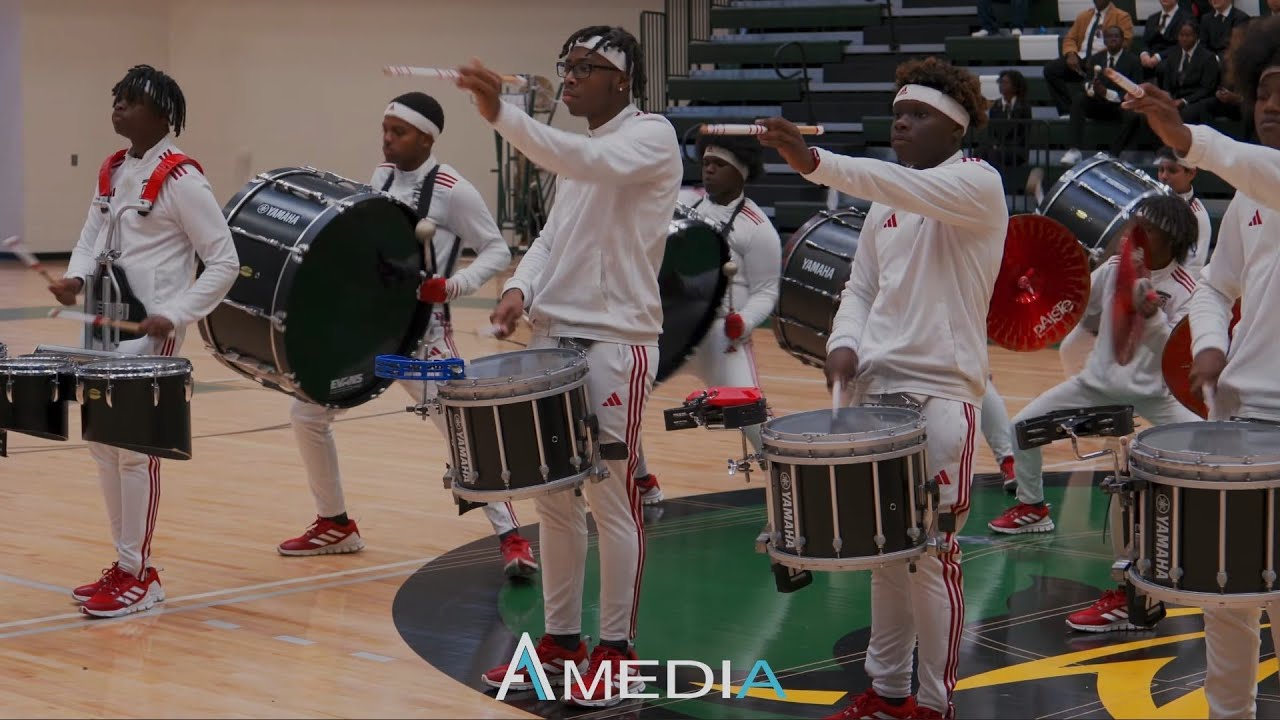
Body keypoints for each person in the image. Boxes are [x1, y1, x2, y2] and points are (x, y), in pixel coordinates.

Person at [758, 57, 1007, 720]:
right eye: (897, 112)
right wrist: (845, 341)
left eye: (918, 114)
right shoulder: (885, 210)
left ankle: (935, 702)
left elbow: (893, 184)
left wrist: (814, 161)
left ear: (955, 129)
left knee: (930, 555)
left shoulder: (978, 184)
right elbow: (862, 288)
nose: (901, 122)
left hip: (942, 395)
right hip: (878, 394)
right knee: (884, 556)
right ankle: (888, 692)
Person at [453, 25, 683, 708]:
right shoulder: (583, 156)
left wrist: (503, 115)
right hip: (555, 339)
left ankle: (617, 653)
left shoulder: (650, 137)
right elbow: (557, 234)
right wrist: (523, 286)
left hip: (615, 344)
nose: (573, 78)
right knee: (553, 500)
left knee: (610, 500)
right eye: (567, 67)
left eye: (587, 68)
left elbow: (586, 163)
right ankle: (560, 645)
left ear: (624, 80)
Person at [277, 92, 537, 577]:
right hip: (370, 332)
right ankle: (336, 524)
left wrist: (455, 284)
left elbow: (497, 250)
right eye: (385, 129)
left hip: (422, 339)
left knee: (460, 429)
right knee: (307, 413)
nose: (387, 139)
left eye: (397, 132)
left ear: (425, 137)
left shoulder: (453, 188)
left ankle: (513, 537)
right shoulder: (382, 177)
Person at [1123, 14, 1280, 717]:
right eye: (1266, 90)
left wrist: (1191, 140)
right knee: (1231, 591)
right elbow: (1217, 286)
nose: (1273, 103)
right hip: (1241, 420)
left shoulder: (1253, 172)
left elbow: (1250, 163)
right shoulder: (1250, 194)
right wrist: (1209, 339)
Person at [48, 65, 239, 617]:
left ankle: (140, 575)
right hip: (102, 322)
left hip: (148, 331)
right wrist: (76, 277)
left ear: (161, 115)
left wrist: (177, 312)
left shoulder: (183, 180)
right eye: (116, 99)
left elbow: (225, 261)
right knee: (103, 442)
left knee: (134, 450)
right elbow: (91, 236)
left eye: (130, 101)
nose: (118, 108)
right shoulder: (111, 169)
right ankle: (124, 564)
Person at [989, 195, 1202, 630]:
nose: (1134, 235)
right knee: (1022, 427)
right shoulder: (1112, 271)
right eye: (1134, 226)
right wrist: (1038, 287)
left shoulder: (1186, 288)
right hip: (1094, 384)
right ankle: (1033, 508)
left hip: (1156, 395)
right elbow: (1070, 310)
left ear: (1172, 238)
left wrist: (1152, 317)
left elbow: (1182, 355)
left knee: (1211, 452)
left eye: (1147, 230)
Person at [628, 133, 781, 502]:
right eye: (706, 164)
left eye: (719, 165)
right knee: (622, 405)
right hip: (670, 327)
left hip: (719, 338)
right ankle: (643, 480)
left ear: (741, 172)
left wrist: (742, 322)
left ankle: (786, 491)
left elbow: (767, 291)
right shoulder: (683, 201)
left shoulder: (757, 227)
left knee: (754, 417)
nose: (709, 171)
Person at [1059, 25, 1146, 165]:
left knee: (1134, 114)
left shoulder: (1133, 61)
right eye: (1109, 37)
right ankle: (1074, 150)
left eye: (1116, 36)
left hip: (1120, 106)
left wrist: (1107, 93)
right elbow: (1086, 81)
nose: (1113, 39)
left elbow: (1136, 90)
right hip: (1098, 104)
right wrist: (1091, 88)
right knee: (1078, 98)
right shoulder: (1096, 58)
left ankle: (1113, 154)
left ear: (1123, 40)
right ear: (1104, 41)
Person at [1044, 0, 1136, 118]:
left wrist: (1097, 58)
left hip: (1103, 60)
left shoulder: (1121, 16)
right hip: (1081, 59)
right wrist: (1071, 54)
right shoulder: (1084, 16)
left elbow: (1126, 42)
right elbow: (1070, 38)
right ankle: (1066, 112)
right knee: (1051, 69)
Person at [1157, 20, 1222, 122]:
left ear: (1196, 37)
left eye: (1188, 35)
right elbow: (1167, 83)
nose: (1184, 39)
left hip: (1197, 100)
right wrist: (1168, 98)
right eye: (1181, 35)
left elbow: (1207, 89)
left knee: (1185, 114)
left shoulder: (1208, 58)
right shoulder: (1173, 55)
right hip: (1175, 98)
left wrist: (1184, 101)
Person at [978, 70, 1031, 173]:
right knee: (979, 152)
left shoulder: (1024, 106)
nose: (1001, 85)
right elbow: (992, 131)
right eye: (1000, 82)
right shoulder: (996, 106)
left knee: (994, 154)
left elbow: (1023, 134)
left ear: (1015, 86)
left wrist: (1003, 146)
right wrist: (994, 144)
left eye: (1005, 83)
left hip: (1016, 149)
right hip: (998, 147)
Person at [1141, 0, 1190, 78]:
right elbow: (1145, 42)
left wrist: (1158, 57)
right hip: (1150, 56)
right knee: (1132, 64)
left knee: (1163, 68)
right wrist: (1144, 54)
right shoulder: (1152, 18)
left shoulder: (1186, 18)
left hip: (1172, 56)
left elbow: (1183, 45)